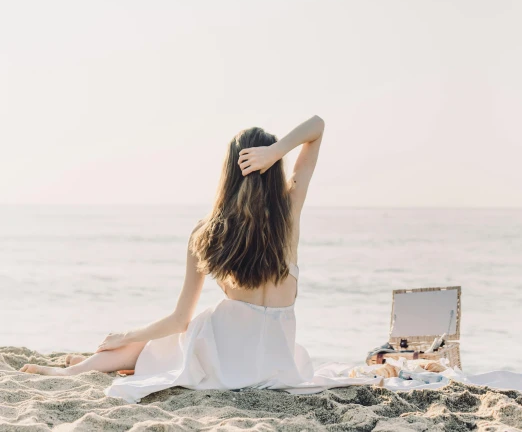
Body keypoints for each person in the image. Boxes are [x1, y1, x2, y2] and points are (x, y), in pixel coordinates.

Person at [20, 115, 377, 400]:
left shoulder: (207, 232)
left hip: (226, 360)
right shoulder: (289, 212)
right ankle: (86, 364)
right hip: (279, 366)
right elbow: (317, 125)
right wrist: (277, 151)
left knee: (159, 345)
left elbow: (179, 319)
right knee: (168, 346)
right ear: (274, 169)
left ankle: (71, 371)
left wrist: (127, 334)